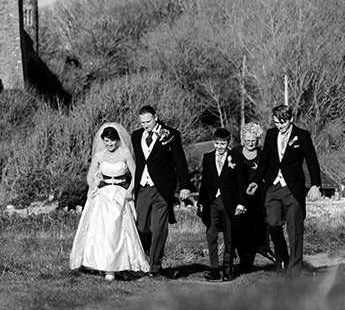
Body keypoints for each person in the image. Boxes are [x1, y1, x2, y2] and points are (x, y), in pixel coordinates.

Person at [246, 105, 322, 276]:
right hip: (273, 187)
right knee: (272, 223)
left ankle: (294, 268)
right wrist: (256, 181)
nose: (279, 125)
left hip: (292, 189)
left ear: (290, 120)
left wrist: (316, 185)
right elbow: (264, 160)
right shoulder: (271, 134)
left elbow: (312, 161)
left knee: (295, 229)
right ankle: (282, 257)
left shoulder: (302, 136)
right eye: (276, 122)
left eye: (282, 122)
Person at [70, 123, 150, 281]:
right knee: (103, 231)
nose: (109, 144)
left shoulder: (125, 153)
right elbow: (90, 175)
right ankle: (106, 267)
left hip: (120, 193)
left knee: (118, 230)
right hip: (104, 194)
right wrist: (94, 187)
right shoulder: (99, 155)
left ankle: (121, 265)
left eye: (112, 141)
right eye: (106, 141)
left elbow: (136, 175)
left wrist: (129, 191)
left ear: (117, 140)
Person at [132, 105, 192, 278]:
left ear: (156, 117)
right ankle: (151, 254)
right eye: (142, 122)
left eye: (148, 121)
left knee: (159, 228)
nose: (145, 125)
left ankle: (155, 267)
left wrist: (185, 185)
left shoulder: (172, 134)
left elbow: (180, 161)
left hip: (163, 189)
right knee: (141, 227)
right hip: (143, 187)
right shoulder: (136, 136)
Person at [197, 128, 239, 281]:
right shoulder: (208, 158)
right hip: (212, 201)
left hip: (229, 202)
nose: (220, 147)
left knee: (229, 236)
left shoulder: (235, 157)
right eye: (217, 143)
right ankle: (214, 268)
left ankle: (228, 268)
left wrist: (240, 203)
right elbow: (205, 182)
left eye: (223, 144)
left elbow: (239, 182)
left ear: (228, 143)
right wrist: (201, 202)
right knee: (211, 234)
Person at [230, 122, 271, 274]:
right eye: (247, 140)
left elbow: (267, 175)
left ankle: (247, 265)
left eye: (253, 140)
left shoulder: (263, 155)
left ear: (258, 140)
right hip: (239, 199)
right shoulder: (235, 152)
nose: (250, 143)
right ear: (242, 139)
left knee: (254, 233)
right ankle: (241, 258)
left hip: (257, 201)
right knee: (239, 231)